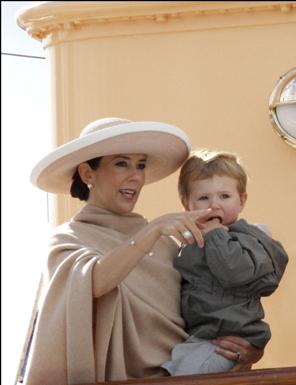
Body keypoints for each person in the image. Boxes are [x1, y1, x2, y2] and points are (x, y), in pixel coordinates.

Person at [24, 118, 263, 385]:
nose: (135, 176)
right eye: (121, 163)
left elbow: (210, 311)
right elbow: (93, 281)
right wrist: (152, 231)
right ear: (87, 174)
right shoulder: (68, 240)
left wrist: (246, 351)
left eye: (140, 165)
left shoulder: (168, 244)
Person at [162, 150, 288, 375]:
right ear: (186, 204)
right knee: (173, 370)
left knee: (186, 373)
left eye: (224, 196)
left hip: (230, 338)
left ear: (242, 200)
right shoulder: (186, 242)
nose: (214, 205)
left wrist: (215, 235)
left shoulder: (251, 237)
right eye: (203, 198)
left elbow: (235, 272)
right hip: (200, 336)